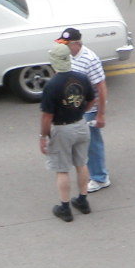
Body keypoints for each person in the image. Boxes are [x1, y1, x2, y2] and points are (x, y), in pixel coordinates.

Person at [39, 44, 95, 222]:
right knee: (82, 164)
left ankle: (65, 208)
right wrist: (80, 111)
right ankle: (83, 200)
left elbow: (47, 116)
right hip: (81, 124)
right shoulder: (81, 78)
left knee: (62, 169)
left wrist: (43, 136)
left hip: (62, 128)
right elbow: (91, 100)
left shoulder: (52, 85)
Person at [60, 28, 111, 192]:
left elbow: (101, 88)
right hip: (78, 107)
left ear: (76, 44)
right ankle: (94, 173)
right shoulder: (70, 56)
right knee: (83, 143)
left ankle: (100, 178)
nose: (63, 46)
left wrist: (100, 114)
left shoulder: (90, 59)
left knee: (92, 144)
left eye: (66, 44)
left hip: (90, 109)